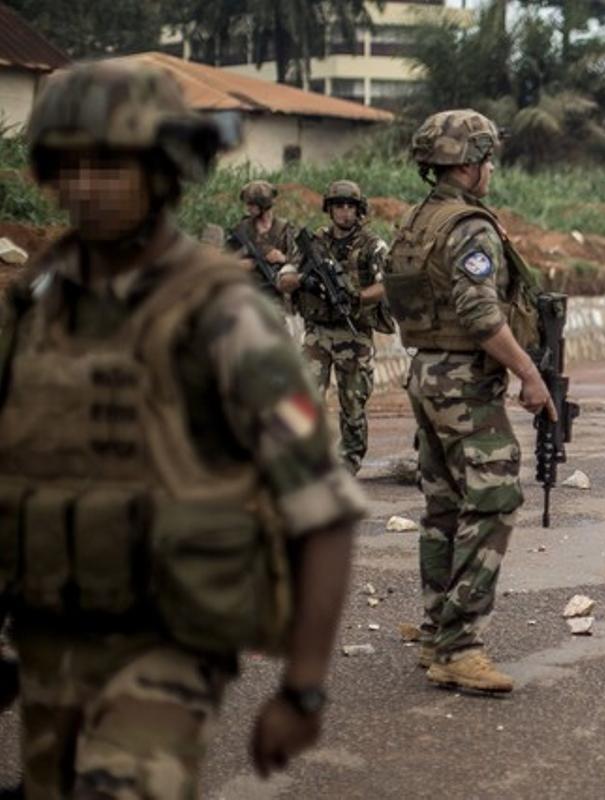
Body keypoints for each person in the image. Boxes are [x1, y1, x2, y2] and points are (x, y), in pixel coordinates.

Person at [0, 61, 364, 797]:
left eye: (112, 164)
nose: (86, 186)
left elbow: (321, 508)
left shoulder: (222, 317)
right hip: (45, 639)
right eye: (70, 164)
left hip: (164, 644)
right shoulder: (34, 305)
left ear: (162, 170)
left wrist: (303, 688)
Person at [384, 109, 554, 692]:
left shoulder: (418, 219)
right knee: (495, 498)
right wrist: (529, 373)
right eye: (485, 158)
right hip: (461, 381)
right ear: (467, 162)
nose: (489, 168)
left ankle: (436, 634)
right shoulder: (470, 226)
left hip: (426, 371)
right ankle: (459, 645)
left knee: (443, 509)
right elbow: (481, 312)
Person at [277, 180, 391, 475]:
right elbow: (284, 278)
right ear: (329, 209)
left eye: (349, 206)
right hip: (317, 332)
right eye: (338, 205)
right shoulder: (313, 243)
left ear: (358, 210)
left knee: (353, 401)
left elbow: (386, 284)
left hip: (354, 334)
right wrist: (307, 280)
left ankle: (349, 460)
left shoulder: (372, 244)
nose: (343, 212)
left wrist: (357, 296)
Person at [226, 179, 298, 300]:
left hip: (276, 295)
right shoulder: (242, 228)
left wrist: (283, 259)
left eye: (251, 204)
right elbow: (223, 258)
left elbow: (298, 261)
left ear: (263, 205)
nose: (247, 208)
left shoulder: (285, 229)